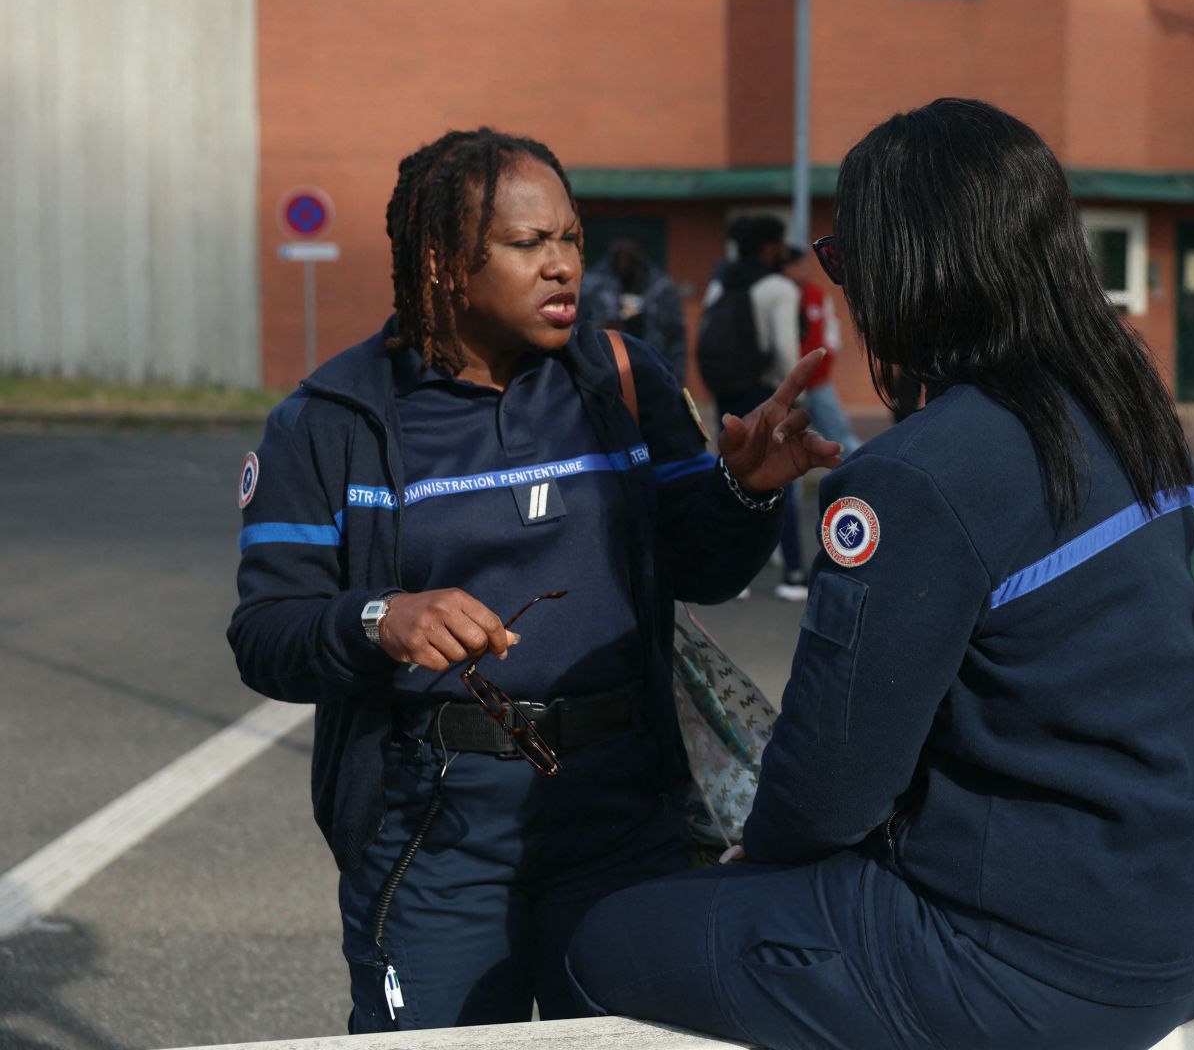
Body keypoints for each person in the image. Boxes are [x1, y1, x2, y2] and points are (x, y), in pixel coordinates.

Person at [567, 99, 1194, 1050]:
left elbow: (832, 785)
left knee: (606, 941)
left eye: (847, 262)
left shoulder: (914, 474)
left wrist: (751, 859)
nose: (847, 288)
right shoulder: (1128, 411)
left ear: (911, 271)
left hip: (1035, 966)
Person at [229, 127, 839, 1032]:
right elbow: (265, 633)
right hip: (433, 835)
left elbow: (701, 572)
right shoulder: (330, 421)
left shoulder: (623, 378)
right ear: (441, 263)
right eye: (527, 245)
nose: (563, 268)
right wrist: (379, 619)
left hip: (622, 819)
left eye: (571, 241)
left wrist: (742, 496)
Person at [700, 216, 808, 600]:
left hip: (728, 391)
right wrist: (797, 396)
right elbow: (784, 349)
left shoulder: (720, 282)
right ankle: (794, 573)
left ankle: (736, 575)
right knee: (777, 479)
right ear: (768, 247)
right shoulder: (777, 287)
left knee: (730, 474)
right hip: (764, 391)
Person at [780, 245, 861, 453]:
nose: (804, 270)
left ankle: (861, 474)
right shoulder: (780, 294)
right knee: (786, 441)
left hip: (817, 382)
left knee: (839, 434)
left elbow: (830, 334)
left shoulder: (816, 294)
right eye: (798, 265)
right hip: (786, 384)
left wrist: (824, 362)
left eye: (805, 264)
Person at [581, 237, 687, 384]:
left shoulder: (661, 287)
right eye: (620, 257)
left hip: (653, 373)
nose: (624, 264)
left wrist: (678, 378)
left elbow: (676, 336)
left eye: (630, 258)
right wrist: (600, 329)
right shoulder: (594, 285)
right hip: (605, 372)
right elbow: (577, 328)